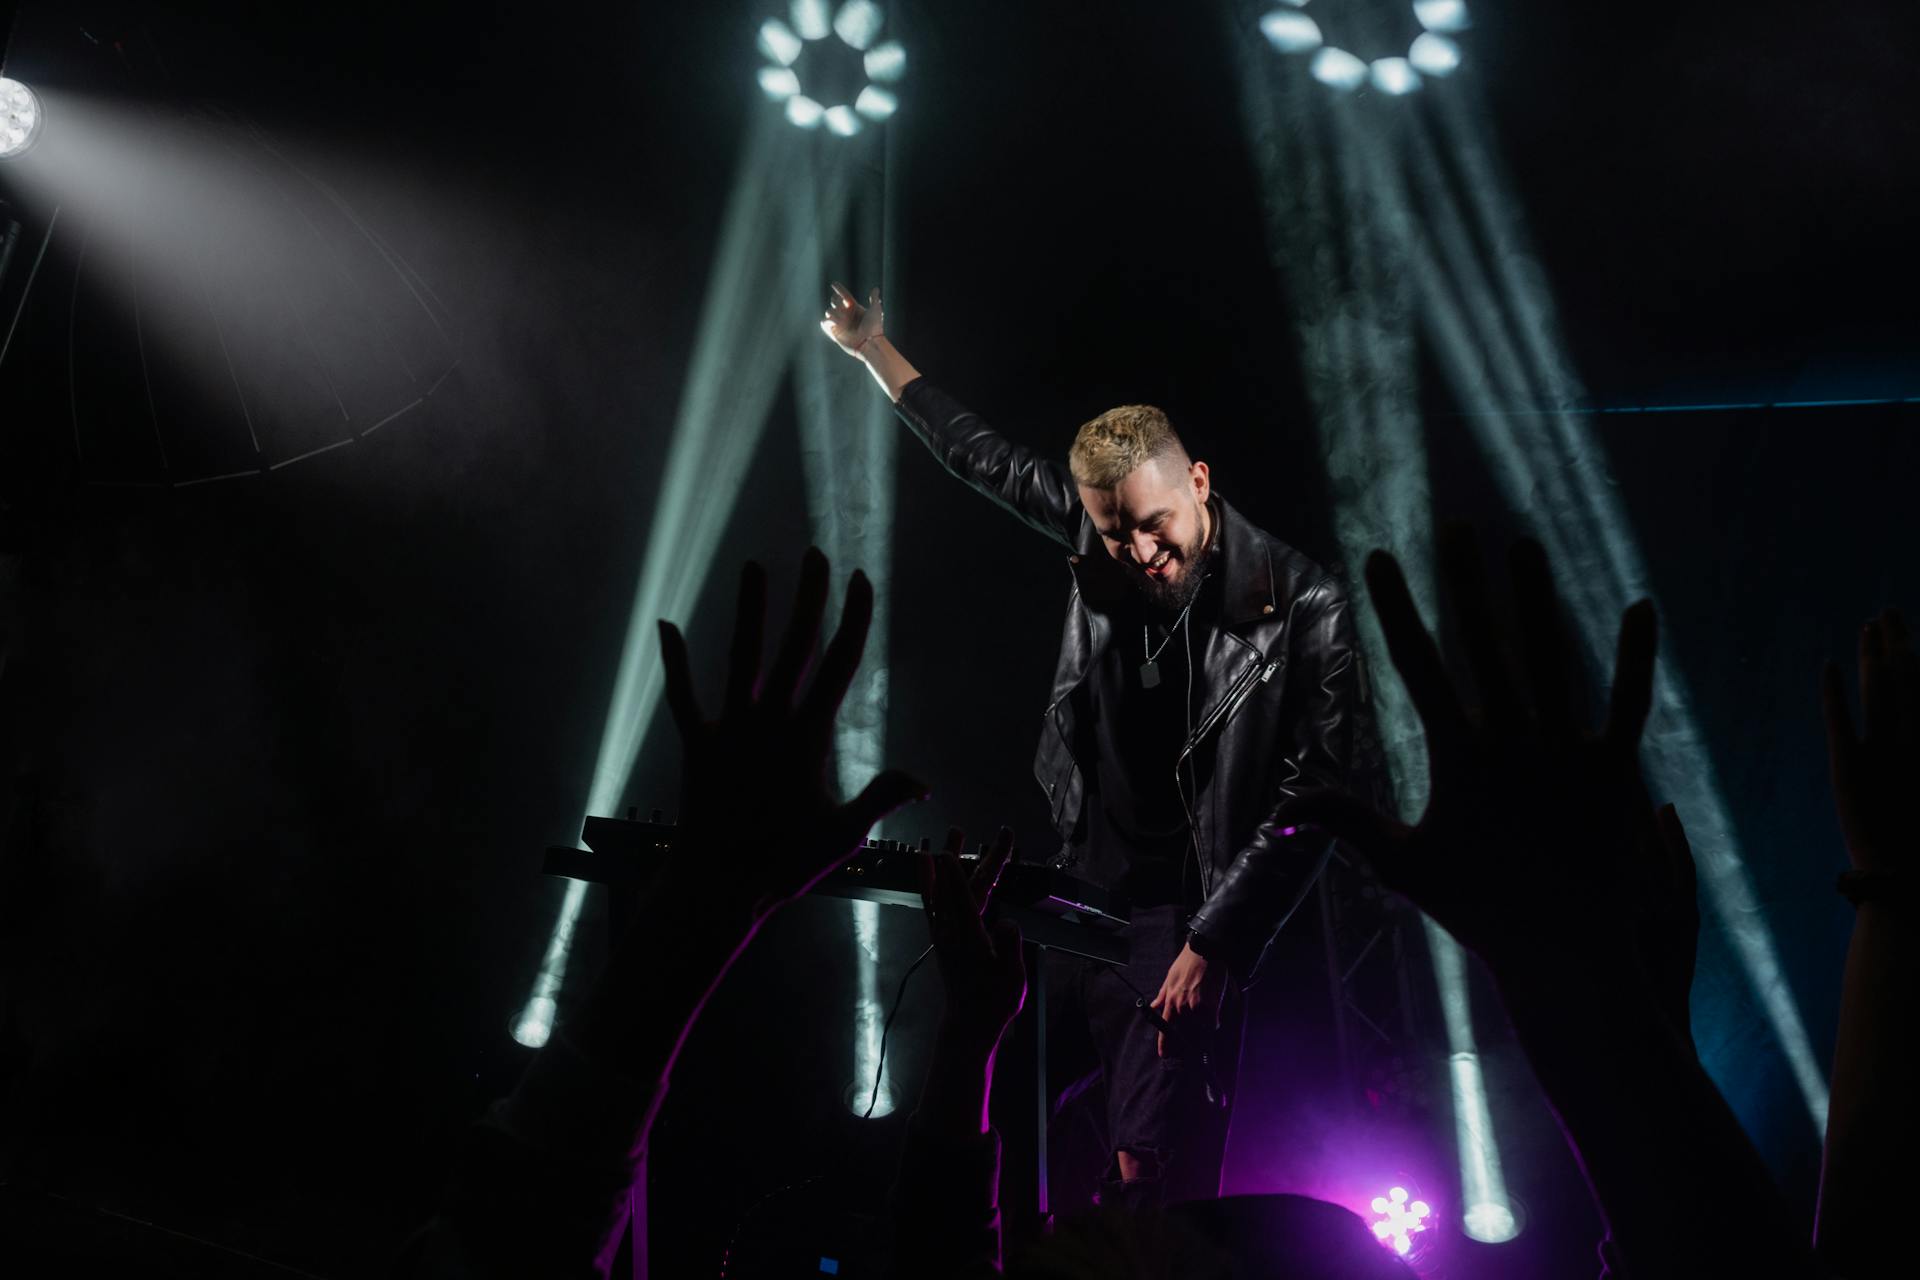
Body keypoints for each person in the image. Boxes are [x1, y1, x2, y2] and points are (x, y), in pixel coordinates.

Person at [823, 283, 1360, 1208]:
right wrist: (874, 349)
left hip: (1183, 917)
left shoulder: (1305, 605)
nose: (1140, 552)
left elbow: (1314, 796)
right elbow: (976, 455)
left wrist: (1220, 942)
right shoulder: (1093, 526)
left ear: (1198, 482)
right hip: (1077, 894)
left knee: (1150, 1170)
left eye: (1156, 527)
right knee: (998, 1116)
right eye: (1115, 536)